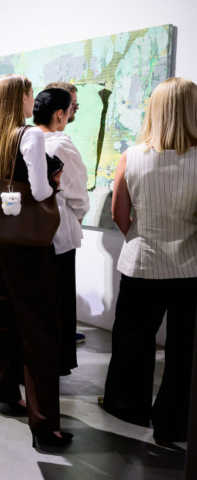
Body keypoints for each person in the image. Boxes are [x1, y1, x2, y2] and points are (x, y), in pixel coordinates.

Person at [102, 77, 197, 449]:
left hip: (141, 263)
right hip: (190, 267)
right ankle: (173, 421)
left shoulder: (132, 156)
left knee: (132, 338)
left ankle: (127, 408)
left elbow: (118, 213)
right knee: (184, 349)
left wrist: (141, 238)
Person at [0, 74, 70, 448]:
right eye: (31, 94)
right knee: (41, 332)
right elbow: (39, 190)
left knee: (2, 320)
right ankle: (45, 425)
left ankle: (5, 394)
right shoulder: (30, 135)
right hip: (28, 246)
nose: (34, 100)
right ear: (22, 98)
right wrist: (55, 181)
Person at [35, 86, 90, 375]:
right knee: (60, 301)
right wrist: (79, 217)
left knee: (37, 302)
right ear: (59, 113)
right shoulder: (61, 145)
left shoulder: (24, 140)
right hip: (58, 234)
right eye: (71, 109)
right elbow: (78, 193)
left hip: (30, 235)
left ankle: (34, 361)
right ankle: (56, 362)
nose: (72, 114)